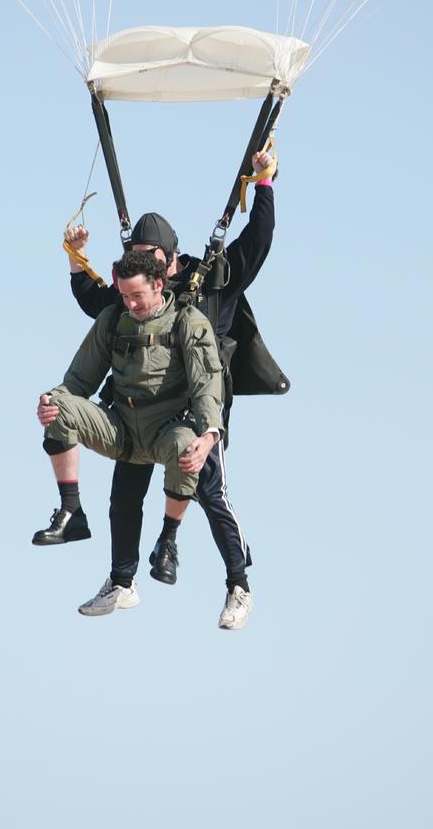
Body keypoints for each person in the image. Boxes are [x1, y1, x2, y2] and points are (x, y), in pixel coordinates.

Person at [33, 146, 280, 630]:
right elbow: (98, 308)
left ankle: (238, 583)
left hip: (194, 412)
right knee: (125, 492)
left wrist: (264, 183)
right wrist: (75, 258)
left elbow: (259, 240)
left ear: (168, 259)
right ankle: (121, 580)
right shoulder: (134, 294)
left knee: (211, 491)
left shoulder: (213, 281)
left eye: (150, 260)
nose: (141, 268)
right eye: (135, 259)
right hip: (136, 409)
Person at [36, 250, 223, 618]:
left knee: (188, 447)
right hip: (120, 427)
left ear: (158, 285)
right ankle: (72, 511)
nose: (131, 303)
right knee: (57, 403)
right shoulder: (113, 320)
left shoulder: (187, 321)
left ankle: (167, 540)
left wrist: (210, 435)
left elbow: (207, 384)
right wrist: (50, 401)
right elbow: (77, 380)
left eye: (137, 296)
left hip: (166, 430)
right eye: (124, 296)